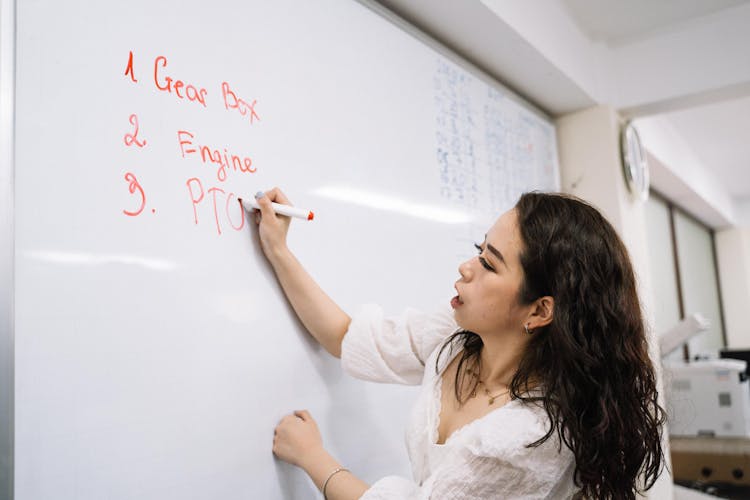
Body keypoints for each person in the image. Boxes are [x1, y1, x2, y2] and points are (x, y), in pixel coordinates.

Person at [253, 188, 666, 499]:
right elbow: (348, 338)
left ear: (540, 311)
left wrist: (312, 457)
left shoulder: (529, 435)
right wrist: (278, 249)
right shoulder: (459, 337)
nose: (467, 267)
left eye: (489, 263)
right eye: (478, 250)